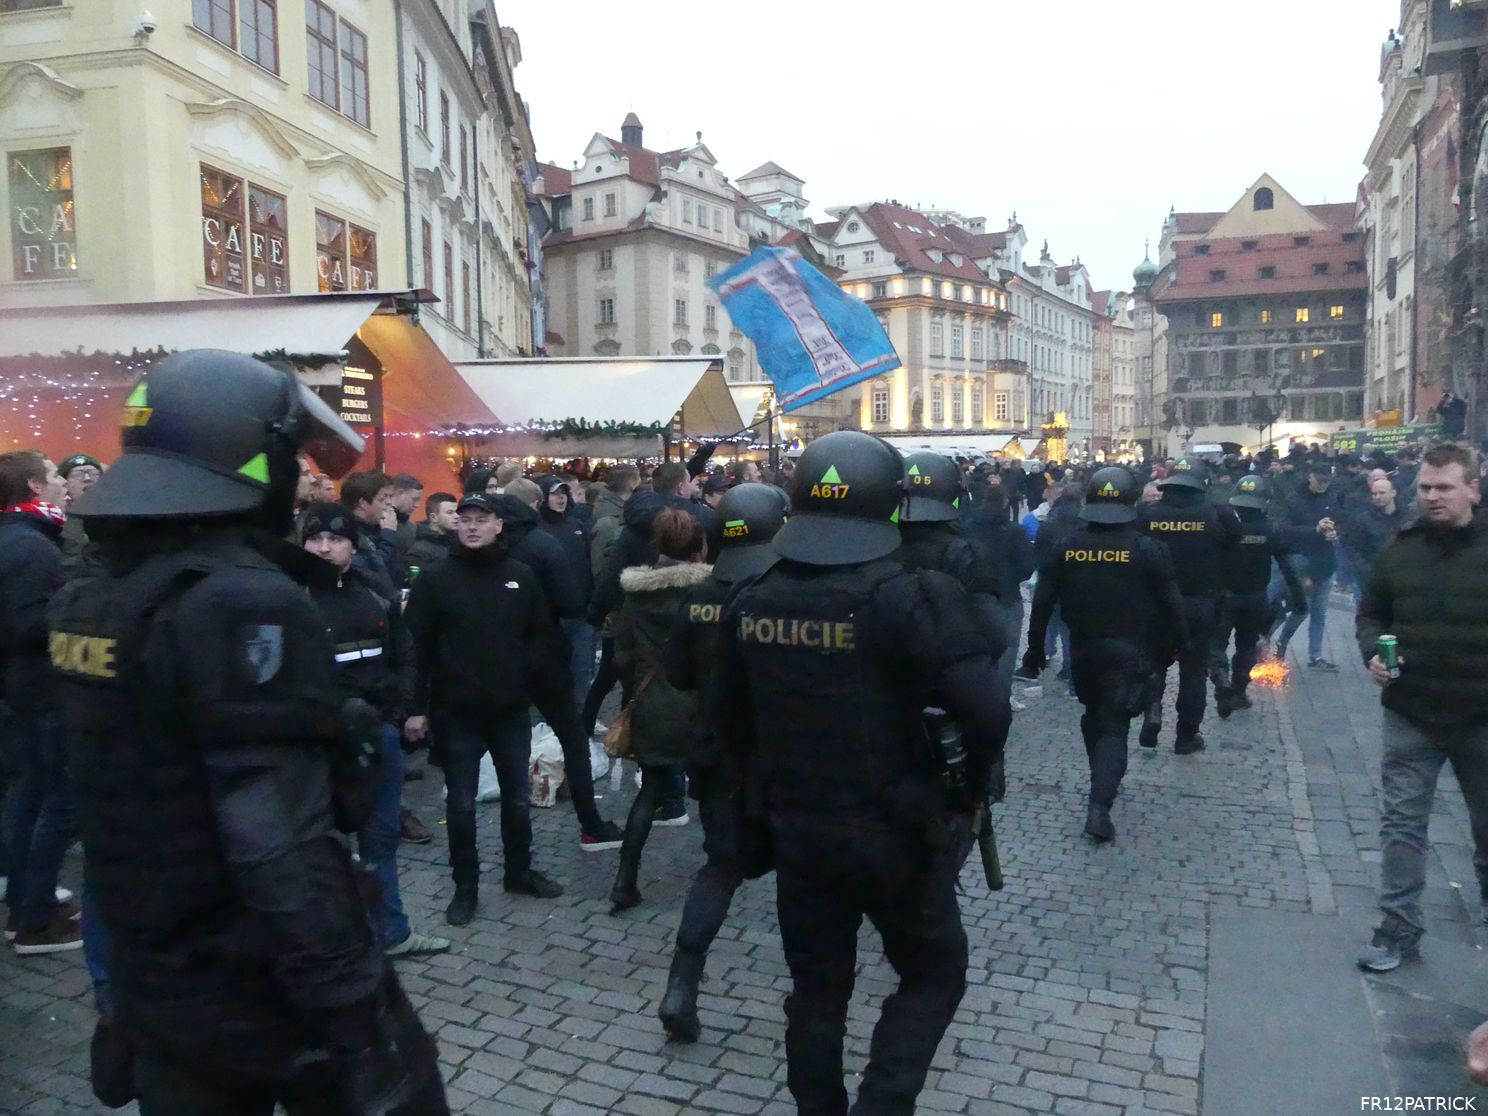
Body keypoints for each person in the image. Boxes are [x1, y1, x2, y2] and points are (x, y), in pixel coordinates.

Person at [50, 350, 446, 1112]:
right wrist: (363, 1018)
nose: (298, 475)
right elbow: (276, 841)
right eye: (290, 458)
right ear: (251, 461)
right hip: (257, 978)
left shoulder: (96, 592)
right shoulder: (238, 601)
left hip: (157, 967)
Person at [713, 431, 1006, 1115]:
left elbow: (725, 726)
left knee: (816, 989)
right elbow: (988, 710)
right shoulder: (914, 595)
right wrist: (967, 785)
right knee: (934, 972)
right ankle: (884, 1101)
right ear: (890, 503)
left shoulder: (753, 596)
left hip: (798, 830)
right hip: (897, 830)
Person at [657, 482, 787, 1042]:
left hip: (717, 756)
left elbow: (679, 674)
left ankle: (681, 982)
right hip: (786, 759)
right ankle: (815, 995)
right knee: (810, 878)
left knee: (720, 868)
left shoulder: (703, 595)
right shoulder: (786, 592)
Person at [404, 492, 566, 926]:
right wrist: (415, 706)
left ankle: (518, 871)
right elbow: (414, 648)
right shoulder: (436, 579)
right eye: (465, 519)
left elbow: (541, 636)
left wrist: (530, 682)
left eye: (481, 519)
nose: (472, 526)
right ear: (456, 525)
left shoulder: (520, 576)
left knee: (517, 798)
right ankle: (465, 885)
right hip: (456, 711)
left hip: (510, 709)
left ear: (498, 525)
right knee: (460, 804)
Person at [1355, 443, 1488, 972]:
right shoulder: (1399, 550)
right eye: (1426, 488)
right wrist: (1373, 653)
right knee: (1402, 825)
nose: (1433, 497)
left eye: (1445, 487)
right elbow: (1371, 616)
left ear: (1473, 489)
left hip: (1482, 716)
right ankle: (1397, 928)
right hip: (1411, 712)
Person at [300, 502, 449, 958]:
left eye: (335, 540)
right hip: (320, 742)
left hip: (377, 735)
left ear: (351, 544)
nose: (324, 549)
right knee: (322, 847)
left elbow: (405, 655)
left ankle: (392, 934)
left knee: (380, 839)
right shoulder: (290, 598)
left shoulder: (372, 594)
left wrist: (401, 711)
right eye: (315, 539)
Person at [1024, 467, 1188, 840]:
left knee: (1094, 715)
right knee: (1114, 725)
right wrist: (1179, 644)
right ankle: (1100, 804)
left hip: (1083, 650)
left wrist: (1034, 653)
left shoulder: (1067, 546)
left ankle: (1101, 777)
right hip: (1131, 650)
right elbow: (1171, 604)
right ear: (1131, 502)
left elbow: (1042, 604)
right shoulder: (1147, 548)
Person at [492, 480, 621, 850]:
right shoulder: (542, 543)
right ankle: (590, 824)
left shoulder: (489, 550)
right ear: (532, 504)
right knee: (571, 739)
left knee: (510, 747)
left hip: (499, 661)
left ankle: (517, 850)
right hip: (544, 656)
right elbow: (569, 600)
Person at [607, 509, 713, 914]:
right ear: (700, 546)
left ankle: (625, 880)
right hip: (701, 705)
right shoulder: (708, 592)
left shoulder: (635, 593)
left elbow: (621, 656)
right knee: (715, 792)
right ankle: (719, 872)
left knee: (649, 793)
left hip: (653, 704)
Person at [0, 450, 80, 953]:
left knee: (31, 797)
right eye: (53, 474)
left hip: (24, 690)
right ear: (33, 484)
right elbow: (28, 626)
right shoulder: (30, 548)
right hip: (43, 690)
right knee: (61, 803)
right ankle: (35, 921)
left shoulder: (23, 539)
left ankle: (26, 900)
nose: (61, 483)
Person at [1137, 457, 1238, 753]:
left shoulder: (1148, 514)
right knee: (1193, 673)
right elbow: (1235, 544)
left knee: (1155, 664)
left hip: (1157, 605)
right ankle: (1186, 735)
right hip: (1199, 605)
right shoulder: (1216, 515)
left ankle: (1152, 712)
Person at [1211, 475, 1307, 718]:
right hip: (1254, 598)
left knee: (1217, 645)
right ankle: (1238, 692)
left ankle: (1221, 682)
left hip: (1224, 597)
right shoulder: (1270, 529)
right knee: (1246, 648)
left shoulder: (1223, 527)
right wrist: (1299, 600)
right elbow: (1287, 567)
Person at [1273, 460, 1341, 669]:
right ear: (1310, 477)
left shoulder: (1331, 496)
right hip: (1301, 563)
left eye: (1326, 482)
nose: (1323, 485)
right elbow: (1285, 530)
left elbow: (1341, 519)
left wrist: (1334, 532)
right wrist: (1315, 530)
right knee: (1298, 608)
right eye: (1320, 481)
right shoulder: (1294, 499)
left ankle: (1315, 656)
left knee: (1319, 612)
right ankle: (1274, 640)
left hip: (1325, 563)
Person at [1339, 475, 1409, 588]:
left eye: (1382, 493)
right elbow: (1353, 549)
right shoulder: (1363, 519)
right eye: (1374, 494)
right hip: (1372, 579)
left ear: (1393, 493)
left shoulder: (1408, 517)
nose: (1377, 497)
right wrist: (1368, 572)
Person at [341, 470, 401, 596]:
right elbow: (373, 569)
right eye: (383, 498)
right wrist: (388, 535)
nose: (389, 503)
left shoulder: (377, 528)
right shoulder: (348, 532)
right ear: (362, 503)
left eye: (390, 497)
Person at [57, 452, 102, 558]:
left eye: (93, 473)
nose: (87, 478)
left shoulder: (114, 513)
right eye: (78, 474)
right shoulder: (58, 519)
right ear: (65, 483)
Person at [406, 490, 457, 571]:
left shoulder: (459, 542)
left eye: (457, 512)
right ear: (434, 517)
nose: (457, 516)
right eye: (450, 512)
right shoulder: (419, 551)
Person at [388, 474, 424, 555]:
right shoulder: (377, 523)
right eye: (414, 499)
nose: (417, 505)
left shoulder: (413, 528)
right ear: (400, 493)